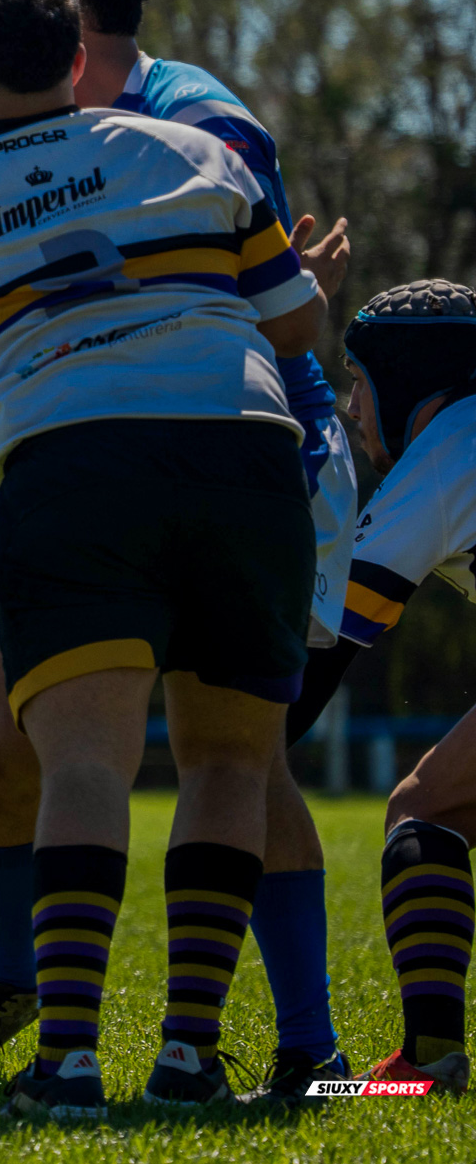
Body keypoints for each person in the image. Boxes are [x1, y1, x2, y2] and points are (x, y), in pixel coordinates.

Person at [0, 0, 327, 1118]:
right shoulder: (194, 154)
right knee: (229, 763)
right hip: (243, 444)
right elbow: (301, 322)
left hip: (73, 470)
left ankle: (68, 1057)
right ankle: (188, 1056)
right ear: (80, 60)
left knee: (84, 764)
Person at [282, 279, 476, 1096]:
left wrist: (234, 751)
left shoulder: (446, 450)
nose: (356, 407)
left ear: (406, 378)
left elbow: (332, 641)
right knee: (442, 809)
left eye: (361, 380)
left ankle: (430, 1064)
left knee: (420, 811)